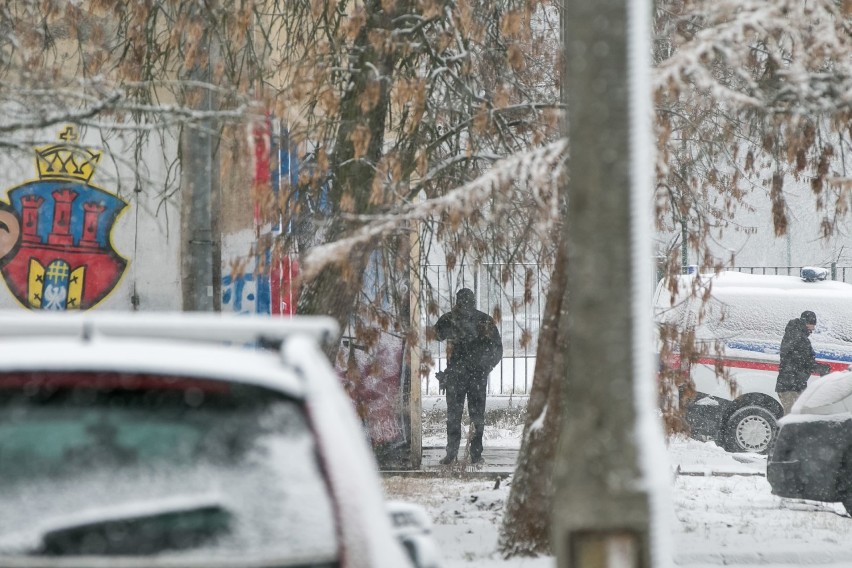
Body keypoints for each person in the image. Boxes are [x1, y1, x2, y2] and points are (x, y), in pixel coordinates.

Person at [434, 288, 502, 465]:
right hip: (476, 377)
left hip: (457, 376)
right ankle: (475, 455)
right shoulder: (484, 320)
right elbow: (497, 349)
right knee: (477, 416)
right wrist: (486, 367)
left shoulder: (450, 319)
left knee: (454, 416)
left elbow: (435, 335)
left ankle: (451, 454)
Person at [775, 310, 830, 414]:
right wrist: (822, 369)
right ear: (806, 323)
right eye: (812, 325)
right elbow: (804, 362)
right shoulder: (799, 337)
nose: (813, 328)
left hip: (791, 384)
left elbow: (800, 360)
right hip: (791, 386)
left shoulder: (794, 333)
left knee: (795, 418)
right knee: (794, 419)